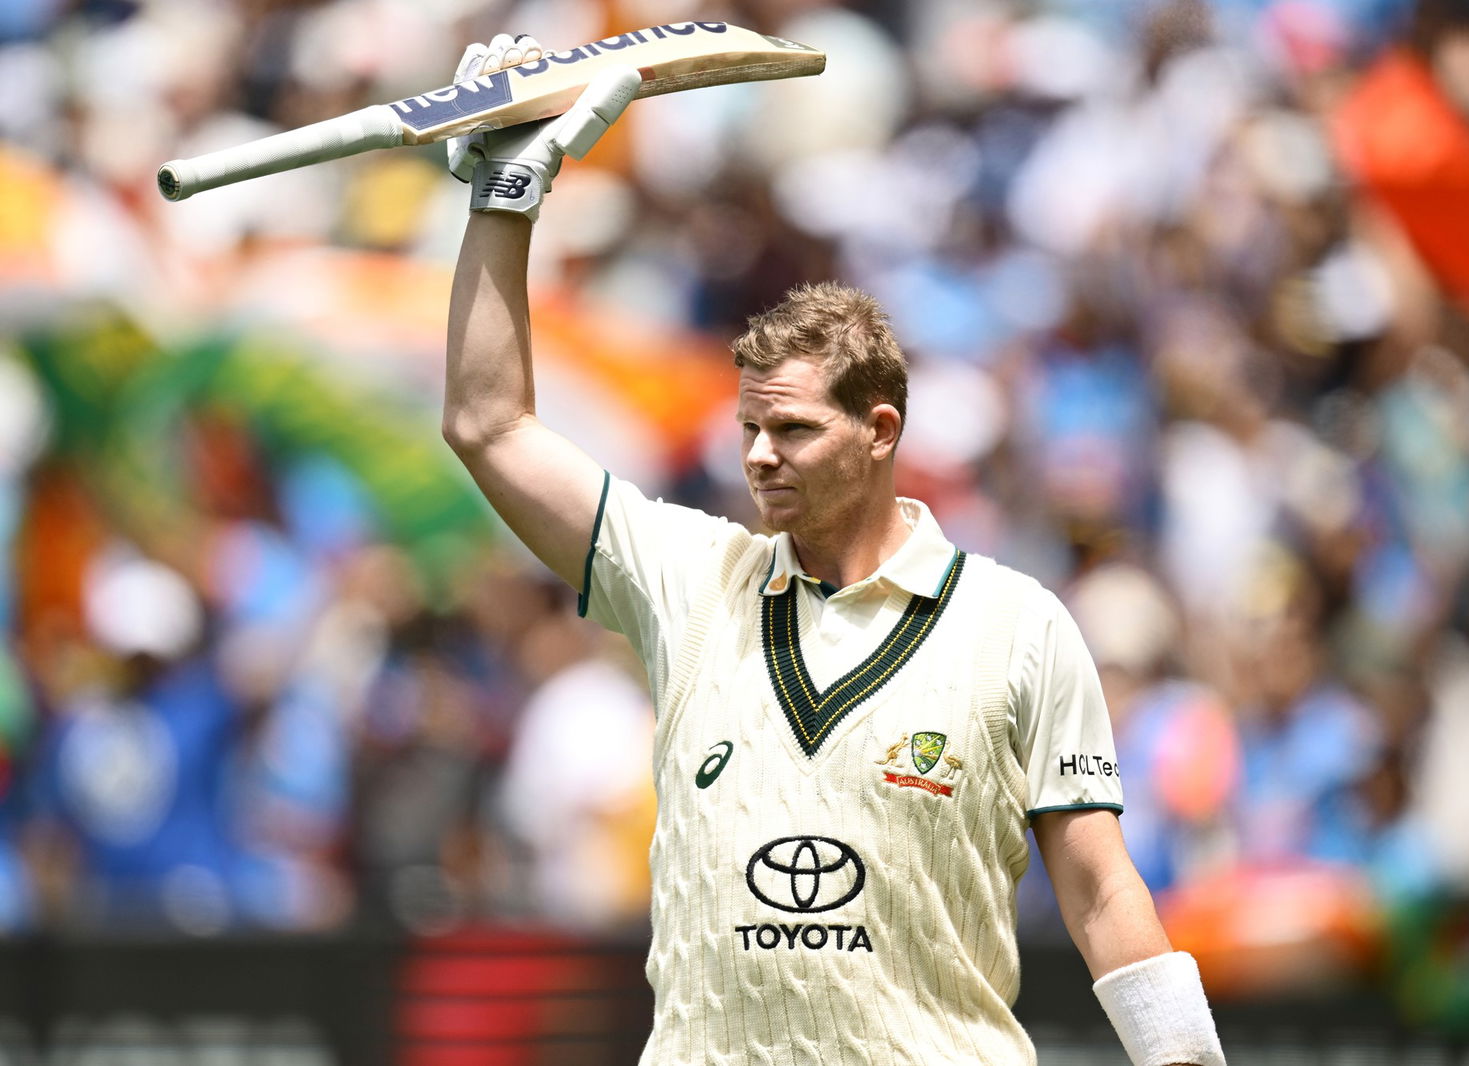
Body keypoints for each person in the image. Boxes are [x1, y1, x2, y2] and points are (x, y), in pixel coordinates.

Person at [442, 31, 1226, 1066]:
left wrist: (1186, 1061)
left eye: (797, 431)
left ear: (882, 431)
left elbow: (1099, 884)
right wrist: (503, 200)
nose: (761, 457)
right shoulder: (689, 578)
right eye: (750, 429)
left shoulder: (1014, 625)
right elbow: (488, 424)